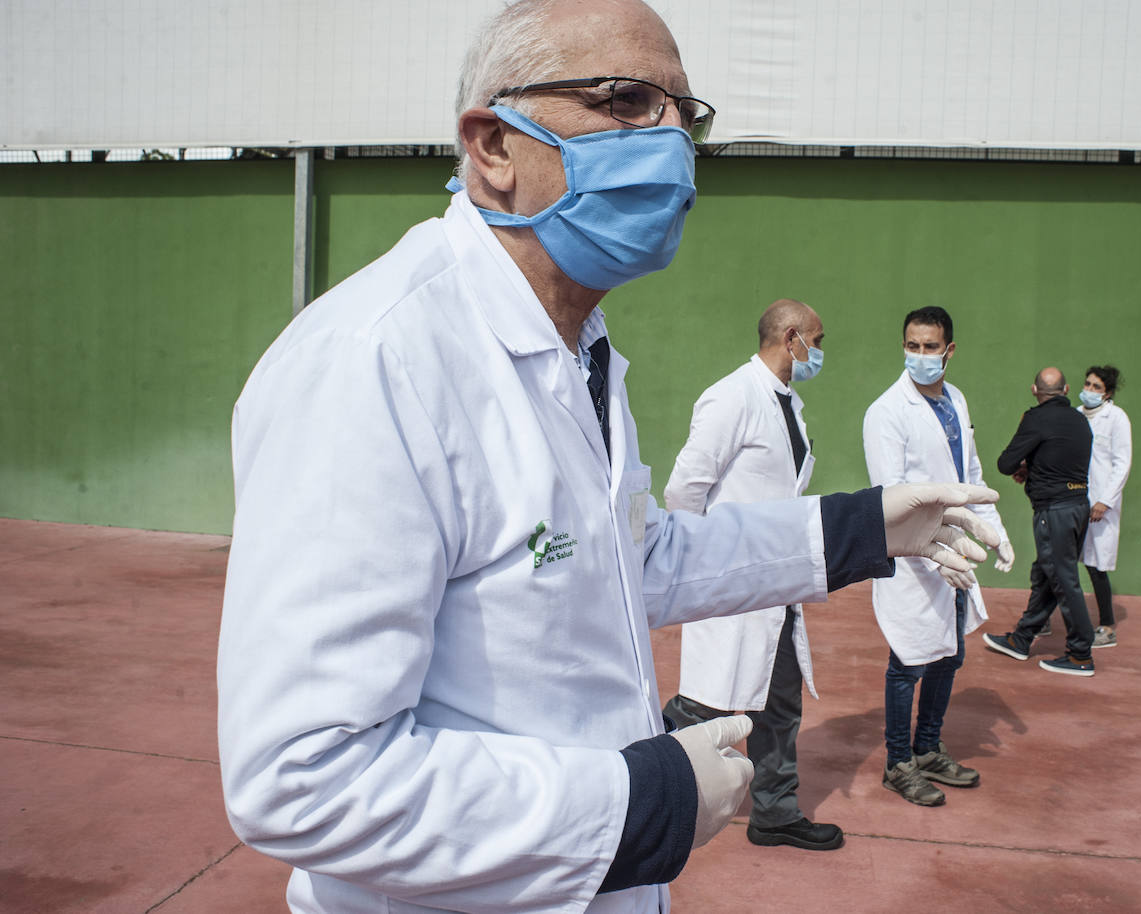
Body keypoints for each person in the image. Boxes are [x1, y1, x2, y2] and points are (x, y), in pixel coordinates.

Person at [216, 2, 1003, 912]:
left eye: (683, 111)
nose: (670, 139)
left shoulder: (578, 346)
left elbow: (629, 560)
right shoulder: (374, 362)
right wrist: (638, 805)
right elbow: (303, 777)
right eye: (624, 101)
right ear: (493, 145)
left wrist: (861, 526)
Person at [661, 298, 842, 851]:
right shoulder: (732, 395)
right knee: (706, 702)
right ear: (792, 338)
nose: (820, 349)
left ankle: (775, 812)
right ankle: (651, 781)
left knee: (780, 699)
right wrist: (701, 562)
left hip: (776, 582)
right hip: (730, 578)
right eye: (818, 337)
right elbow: (684, 488)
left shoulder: (788, 402)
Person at [862, 307, 1015, 807]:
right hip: (914, 555)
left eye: (930, 347)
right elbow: (892, 495)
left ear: (949, 351)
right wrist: (935, 556)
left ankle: (928, 749)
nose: (920, 356)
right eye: (912, 346)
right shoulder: (887, 411)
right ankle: (898, 762)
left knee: (950, 652)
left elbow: (969, 472)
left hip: (958, 549)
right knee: (908, 660)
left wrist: (994, 530)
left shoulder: (955, 399)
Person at [984, 367, 1096, 676]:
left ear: (1034, 390)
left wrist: (1023, 465)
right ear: (1067, 389)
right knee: (1048, 574)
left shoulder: (1036, 418)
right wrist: (1034, 467)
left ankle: (1080, 653)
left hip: (1054, 511)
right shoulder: (1080, 420)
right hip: (1078, 507)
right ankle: (1021, 639)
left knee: (1062, 579)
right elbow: (1061, 458)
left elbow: (1006, 463)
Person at [1079, 364, 1132, 648]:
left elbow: (1122, 463)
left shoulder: (1117, 419)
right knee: (1059, 562)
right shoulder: (1076, 415)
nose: (1089, 390)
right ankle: (1040, 622)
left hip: (1100, 504)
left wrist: (1105, 501)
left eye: (1096, 387)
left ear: (1108, 393)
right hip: (1074, 500)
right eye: (1087, 384)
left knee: (1096, 567)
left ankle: (1108, 626)